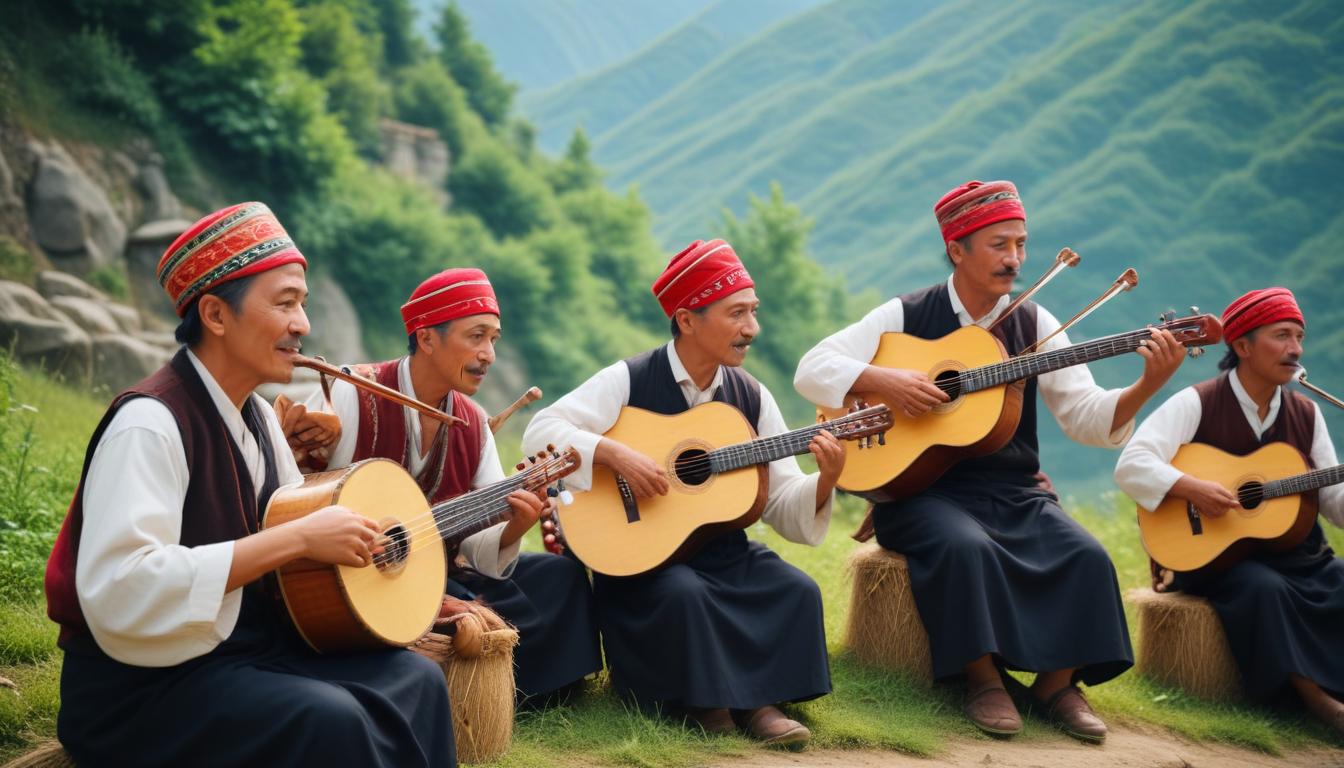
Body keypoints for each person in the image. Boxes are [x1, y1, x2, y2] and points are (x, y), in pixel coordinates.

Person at [44, 202, 455, 767]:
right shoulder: (149, 423)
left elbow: (298, 538)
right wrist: (301, 539)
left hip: (246, 651)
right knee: (328, 719)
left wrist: (360, 540)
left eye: (303, 304)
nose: (303, 325)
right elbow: (123, 586)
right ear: (214, 314)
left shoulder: (259, 418)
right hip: (144, 687)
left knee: (415, 680)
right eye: (284, 303)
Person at [794, 180, 1186, 742]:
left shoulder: (1034, 324)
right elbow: (813, 368)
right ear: (957, 250)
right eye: (1000, 245)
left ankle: (1057, 683)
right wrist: (887, 380)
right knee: (965, 547)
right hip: (919, 493)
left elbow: (1087, 418)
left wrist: (1149, 383)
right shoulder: (905, 315)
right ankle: (983, 679)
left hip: (1012, 489)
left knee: (1086, 554)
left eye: (1021, 244)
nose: (1015, 259)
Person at [522, 239, 845, 747]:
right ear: (687, 319)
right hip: (644, 559)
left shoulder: (751, 396)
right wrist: (614, 454)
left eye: (753, 313)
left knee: (794, 590)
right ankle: (712, 704)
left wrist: (825, 478)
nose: (751, 329)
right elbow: (541, 431)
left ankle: (757, 703)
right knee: (684, 593)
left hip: (720, 553)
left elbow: (782, 502)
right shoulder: (628, 378)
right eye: (737, 314)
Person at [280, 268, 601, 704]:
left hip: (439, 571)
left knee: (556, 575)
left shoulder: (474, 424)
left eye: (493, 339)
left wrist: (514, 525)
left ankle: (531, 694)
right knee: (474, 604)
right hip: (350, 575)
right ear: (427, 338)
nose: (488, 354)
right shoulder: (354, 393)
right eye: (476, 336)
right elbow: (301, 495)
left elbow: (479, 549)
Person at [1115, 287, 1344, 732]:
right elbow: (1132, 464)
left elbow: (1332, 497)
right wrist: (1191, 487)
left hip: (1298, 555)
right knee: (1263, 590)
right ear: (1242, 346)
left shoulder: (1306, 413)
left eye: (1298, 336)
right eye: (1281, 335)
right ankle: (1319, 704)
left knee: (1339, 581)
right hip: (1217, 556)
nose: (1295, 348)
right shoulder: (1196, 402)